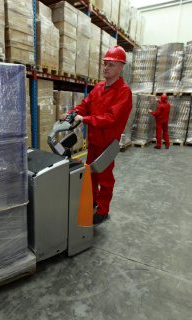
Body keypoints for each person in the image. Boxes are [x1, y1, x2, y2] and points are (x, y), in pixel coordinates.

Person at [60, 46, 132, 225]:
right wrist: (71, 113)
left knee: (105, 179)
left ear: (120, 67)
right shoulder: (99, 87)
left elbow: (111, 118)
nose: (106, 68)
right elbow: (85, 104)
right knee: (90, 173)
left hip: (107, 143)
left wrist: (84, 119)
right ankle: (92, 200)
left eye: (111, 65)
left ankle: (103, 210)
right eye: (105, 64)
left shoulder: (123, 91)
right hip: (93, 140)